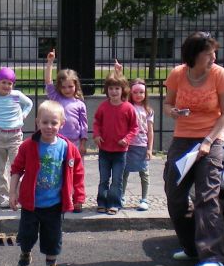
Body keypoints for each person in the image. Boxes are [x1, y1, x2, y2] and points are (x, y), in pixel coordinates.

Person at [162, 31, 224, 266]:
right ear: (194, 55)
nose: (214, 56)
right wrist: (173, 112)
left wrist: (208, 141)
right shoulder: (177, 74)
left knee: (207, 196)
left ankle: (214, 258)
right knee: (175, 195)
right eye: (208, 52)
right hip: (182, 138)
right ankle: (191, 247)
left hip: (211, 137)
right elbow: (167, 104)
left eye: (214, 51)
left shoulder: (219, 75)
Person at [9, 100, 85, 266]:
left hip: (54, 204)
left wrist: (79, 197)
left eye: (54, 123)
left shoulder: (68, 148)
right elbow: (16, 169)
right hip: (31, 204)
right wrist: (13, 193)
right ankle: (25, 255)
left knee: (53, 238)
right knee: (26, 236)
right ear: (37, 122)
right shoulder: (28, 146)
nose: (49, 127)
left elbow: (78, 173)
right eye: (45, 122)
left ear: (62, 124)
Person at [0, 67, 33, 208]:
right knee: (0, 168)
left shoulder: (16, 95)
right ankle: (2, 197)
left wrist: (24, 114)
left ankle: (18, 196)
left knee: (18, 167)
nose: (7, 86)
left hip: (15, 136)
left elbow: (29, 103)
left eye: (10, 83)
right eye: (3, 82)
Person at [44, 48, 88, 212]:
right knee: (60, 171)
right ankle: (62, 198)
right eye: (64, 87)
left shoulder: (79, 104)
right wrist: (50, 63)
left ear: (75, 86)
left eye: (71, 86)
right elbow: (48, 83)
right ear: (60, 87)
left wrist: (83, 142)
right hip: (59, 142)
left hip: (75, 143)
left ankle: (78, 199)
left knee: (77, 172)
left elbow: (84, 125)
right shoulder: (56, 98)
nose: (68, 89)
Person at [92, 71, 138, 215]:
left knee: (117, 180)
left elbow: (134, 127)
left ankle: (114, 203)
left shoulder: (128, 108)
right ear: (107, 90)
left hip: (120, 152)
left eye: (117, 88)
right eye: (111, 88)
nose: (113, 91)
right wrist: (97, 135)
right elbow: (96, 122)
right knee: (104, 179)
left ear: (123, 90)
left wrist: (127, 139)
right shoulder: (103, 106)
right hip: (105, 150)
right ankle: (102, 202)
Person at [122, 78, 155, 211]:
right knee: (124, 171)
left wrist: (150, 149)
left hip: (142, 145)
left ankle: (144, 198)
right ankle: (121, 196)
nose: (138, 95)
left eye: (142, 92)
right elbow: (121, 89)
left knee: (144, 172)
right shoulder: (127, 107)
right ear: (131, 93)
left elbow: (150, 131)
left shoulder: (148, 110)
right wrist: (119, 72)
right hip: (128, 145)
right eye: (135, 92)